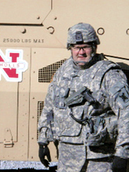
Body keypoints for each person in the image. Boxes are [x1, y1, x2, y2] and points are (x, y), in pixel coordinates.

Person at [38, 22, 129, 172]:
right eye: (76, 47)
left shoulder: (109, 75)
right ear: (70, 48)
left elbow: (126, 113)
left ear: (94, 47)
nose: (81, 52)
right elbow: (50, 106)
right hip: (67, 160)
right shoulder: (63, 71)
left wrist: (123, 153)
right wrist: (43, 140)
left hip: (98, 160)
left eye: (85, 47)